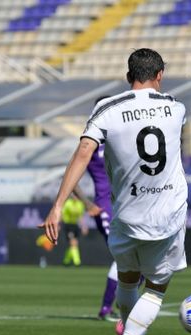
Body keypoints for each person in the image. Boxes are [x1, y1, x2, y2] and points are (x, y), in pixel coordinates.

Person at [41, 48, 188, 335]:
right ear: (160, 75)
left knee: (127, 276)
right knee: (157, 287)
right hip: (167, 215)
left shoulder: (106, 108)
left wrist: (58, 204)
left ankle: (127, 325)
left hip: (125, 214)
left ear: (127, 76)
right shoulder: (177, 107)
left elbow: (83, 150)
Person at [72, 96, 121, 321]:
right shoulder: (90, 140)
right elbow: (71, 175)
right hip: (105, 209)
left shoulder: (121, 136)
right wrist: (87, 203)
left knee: (138, 260)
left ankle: (123, 304)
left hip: (127, 207)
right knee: (123, 258)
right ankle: (106, 308)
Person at [61, 193, 87, 266]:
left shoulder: (80, 204)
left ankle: (66, 261)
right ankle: (77, 262)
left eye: (76, 195)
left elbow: (81, 217)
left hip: (75, 225)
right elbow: (62, 214)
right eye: (74, 195)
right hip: (68, 225)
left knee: (73, 244)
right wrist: (58, 225)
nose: (75, 197)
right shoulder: (68, 204)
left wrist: (84, 226)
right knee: (73, 242)